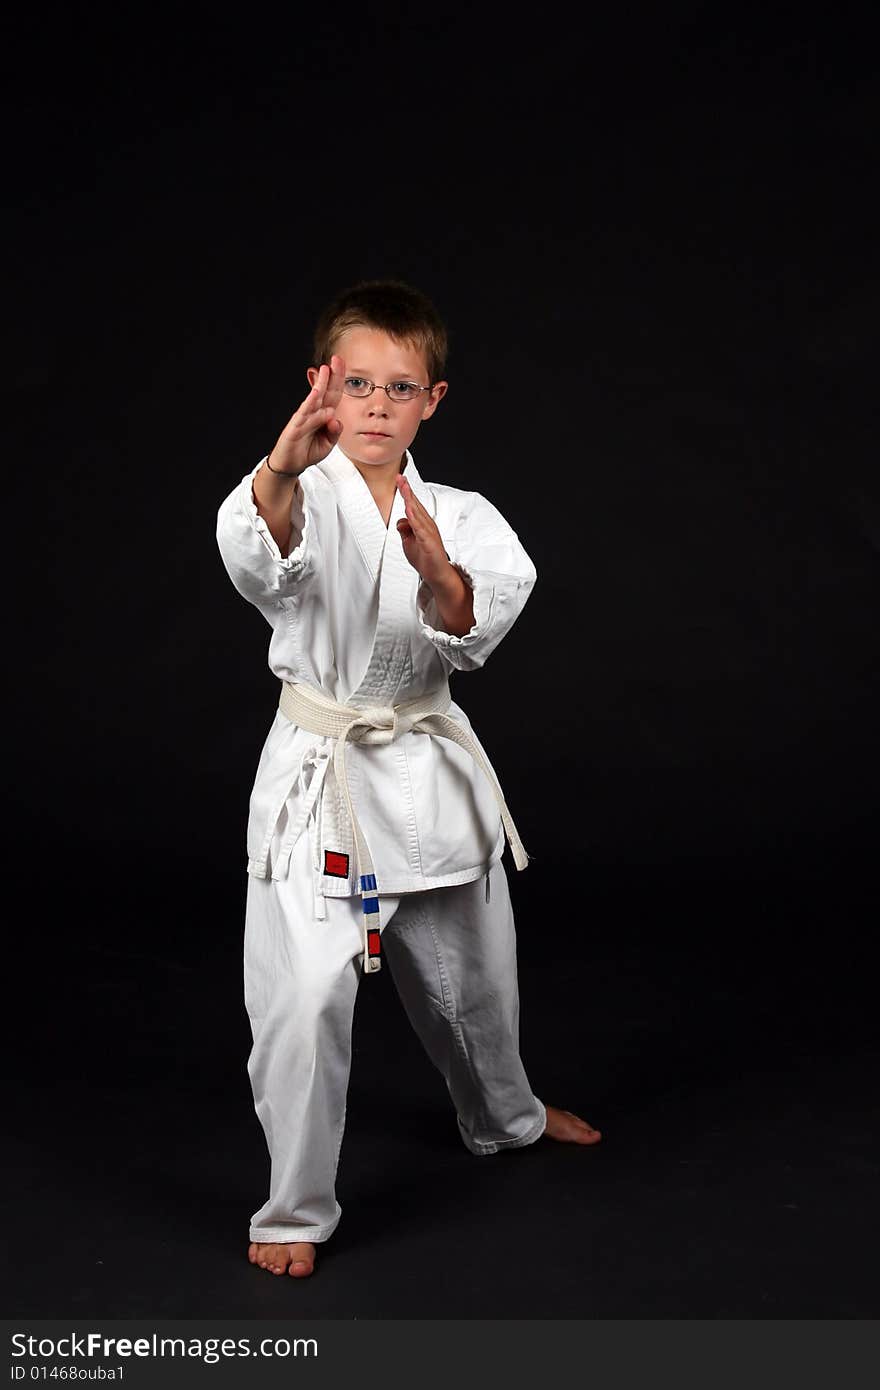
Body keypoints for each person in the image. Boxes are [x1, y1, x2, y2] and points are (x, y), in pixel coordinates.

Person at [216, 280, 601, 1280]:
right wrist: (277, 472)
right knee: (301, 999)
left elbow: (470, 633)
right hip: (320, 774)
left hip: (425, 767)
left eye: (399, 386)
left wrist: (435, 565)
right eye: (357, 382)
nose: (377, 404)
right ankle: (296, 1206)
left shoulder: (462, 515)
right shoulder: (291, 491)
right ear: (320, 388)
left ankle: (505, 1115)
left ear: (432, 399)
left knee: (476, 982)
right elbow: (268, 566)